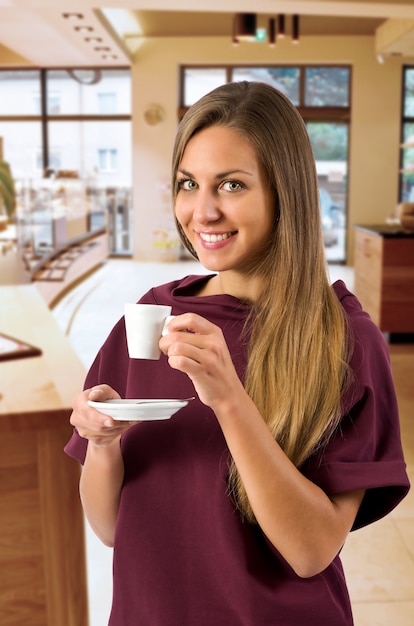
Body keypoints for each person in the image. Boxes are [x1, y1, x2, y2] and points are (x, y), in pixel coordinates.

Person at [65, 81, 410, 626]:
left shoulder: (344, 341)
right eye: (188, 183)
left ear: (284, 192)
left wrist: (229, 397)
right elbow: (110, 528)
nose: (202, 211)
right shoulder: (153, 316)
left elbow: (311, 551)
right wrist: (102, 444)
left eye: (230, 185)